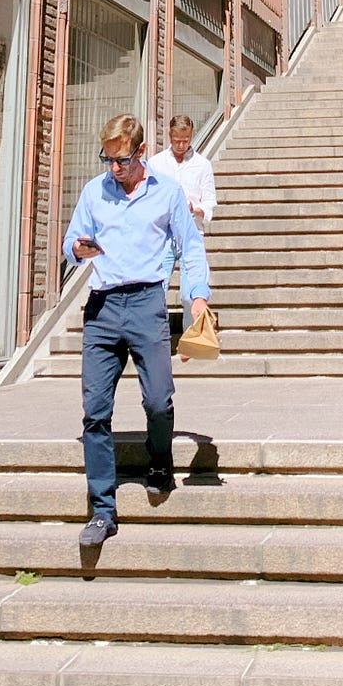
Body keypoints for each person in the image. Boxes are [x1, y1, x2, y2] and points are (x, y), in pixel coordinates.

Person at [62, 112, 211, 547]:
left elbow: (192, 247)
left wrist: (198, 296)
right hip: (103, 307)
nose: (113, 168)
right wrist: (77, 247)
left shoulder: (167, 193)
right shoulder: (95, 191)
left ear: (141, 152)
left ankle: (160, 462)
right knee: (94, 411)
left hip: (148, 304)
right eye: (107, 159)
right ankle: (102, 511)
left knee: (159, 401)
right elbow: (73, 242)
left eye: (121, 160)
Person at [151, 114, 217, 311]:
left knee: (192, 294)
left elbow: (209, 201)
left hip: (191, 232)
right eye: (177, 140)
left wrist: (195, 208)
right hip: (163, 234)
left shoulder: (202, 165)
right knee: (155, 290)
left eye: (185, 141)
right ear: (170, 136)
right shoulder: (156, 163)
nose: (181, 145)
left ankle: (192, 336)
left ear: (191, 136)